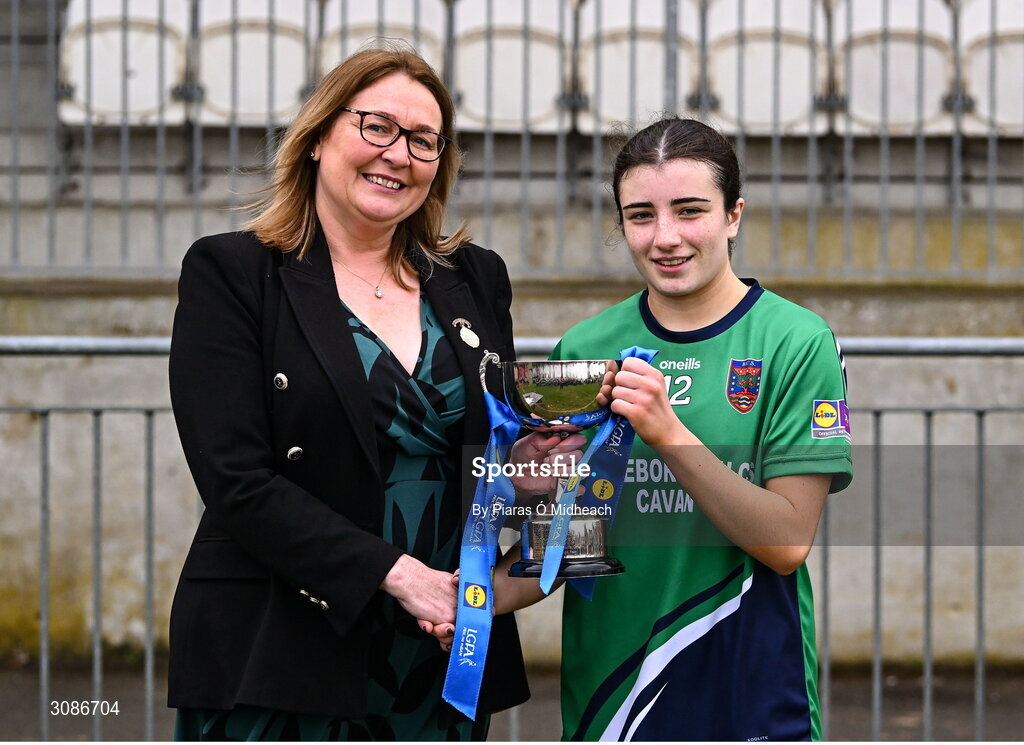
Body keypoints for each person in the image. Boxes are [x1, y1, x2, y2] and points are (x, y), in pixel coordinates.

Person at [166, 45, 578, 741]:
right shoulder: (233, 273)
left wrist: (527, 475)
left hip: (438, 645)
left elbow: (478, 457)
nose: (399, 154)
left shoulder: (475, 278)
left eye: (423, 140)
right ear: (320, 137)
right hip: (282, 648)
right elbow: (237, 481)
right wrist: (393, 572)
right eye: (376, 126)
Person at [473, 117, 853, 741]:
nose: (665, 237)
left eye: (689, 210)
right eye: (641, 215)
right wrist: (466, 601)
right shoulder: (588, 344)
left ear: (734, 215)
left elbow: (786, 541)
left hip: (747, 691)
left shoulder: (795, 341)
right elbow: (568, 545)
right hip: (613, 694)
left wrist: (666, 432)